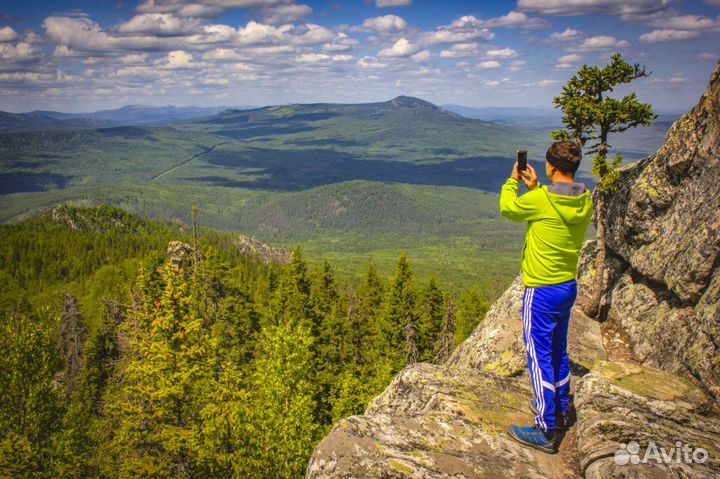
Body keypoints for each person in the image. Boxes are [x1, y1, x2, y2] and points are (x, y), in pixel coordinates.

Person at [500, 140, 593, 453]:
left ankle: (546, 428)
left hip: (541, 290)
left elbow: (508, 209)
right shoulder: (585, 199)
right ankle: (562, 407)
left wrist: (514, 180)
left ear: (551, 166)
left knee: (539, 357)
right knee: (557, 349)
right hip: (567, 287)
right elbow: (557, 207)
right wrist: (539, 186)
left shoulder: (540, 199)